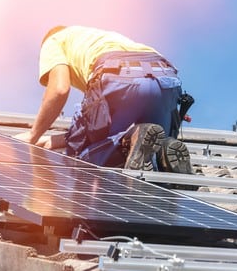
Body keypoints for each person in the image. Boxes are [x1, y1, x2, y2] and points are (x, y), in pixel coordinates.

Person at [14, 25, 194, 174]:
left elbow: (59, 90)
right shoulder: (100, 38)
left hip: (118, 74)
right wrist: (49, 140)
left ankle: (130, 138)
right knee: (153, 147)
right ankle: (166, 153)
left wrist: (32, 136)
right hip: (165, 78)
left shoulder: (53, 40)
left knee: (85, 158)